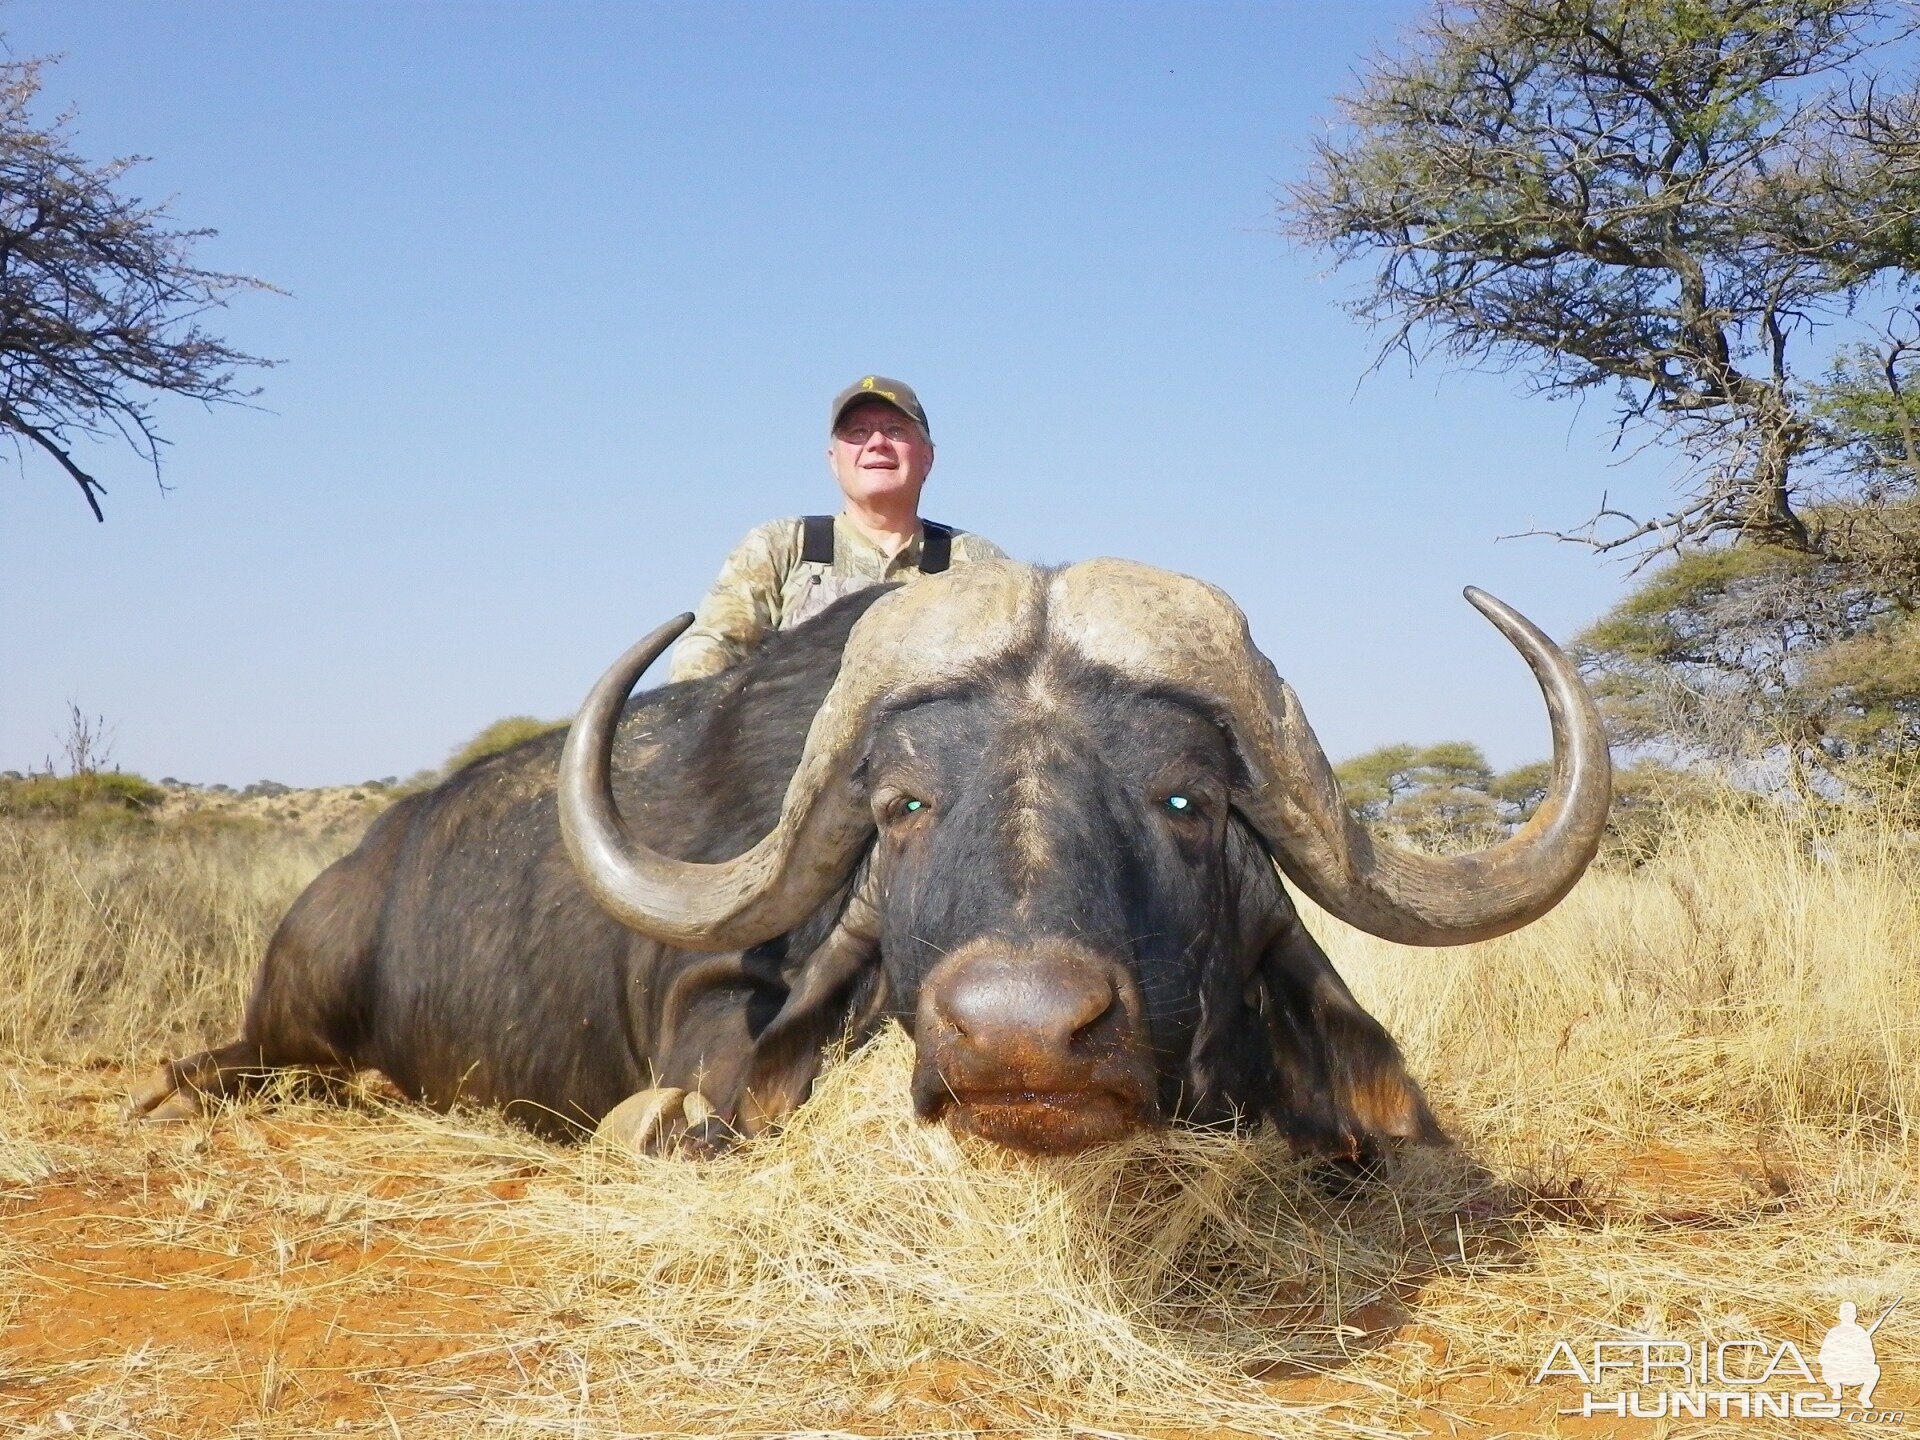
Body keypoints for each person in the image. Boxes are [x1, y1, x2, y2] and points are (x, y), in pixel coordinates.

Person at [667, 376, 1007, 682]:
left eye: (895, 430)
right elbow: (712, 646)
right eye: (857, 432)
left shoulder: (979, 565)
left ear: (927, 458)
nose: (877, 443)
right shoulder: (781, 547)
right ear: (833, 459)